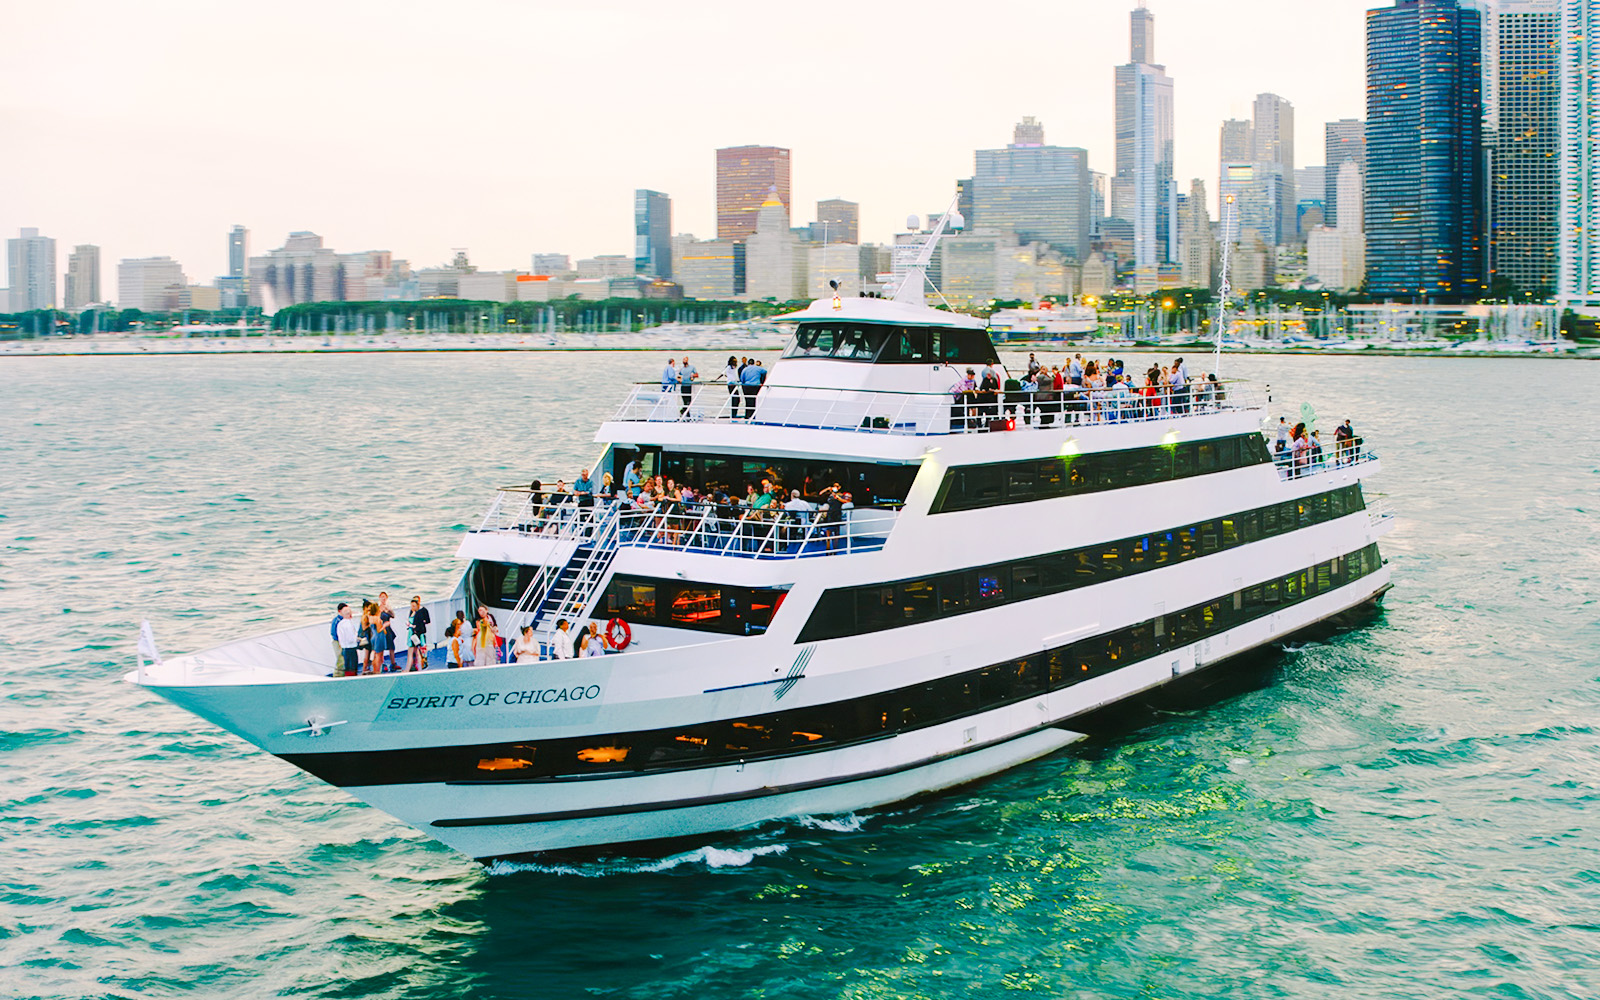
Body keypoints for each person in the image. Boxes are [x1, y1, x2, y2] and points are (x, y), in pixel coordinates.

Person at [407, 595, 430, 671]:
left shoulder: (422, 611)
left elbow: (427, 620)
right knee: (415, 650)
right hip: (413, 633)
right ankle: (414, 665)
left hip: (419, 633)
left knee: (421, 649)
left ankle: (422, 663)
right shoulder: (412, 612)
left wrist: (420, 623)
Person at [335, 604, 359, 678]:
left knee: (347, 666)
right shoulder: (348, 624)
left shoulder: (340, 624)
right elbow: (351, 639)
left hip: (344, 648)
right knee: (352, 666)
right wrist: (357, 638)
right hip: (351, 648)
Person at [376, 591, 397, 671]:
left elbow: (393, 616)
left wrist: (388, 610)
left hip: (388, 629)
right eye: (381, 596)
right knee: (381, 648)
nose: (383, 598)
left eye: (384, 596)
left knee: (391, 647)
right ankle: (382, 664)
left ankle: (393, 663)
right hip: (382, 629)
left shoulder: (388, 607)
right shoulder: (378, 608)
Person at [330, 602, 349, 674]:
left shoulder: (344, 619)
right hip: (338, 642)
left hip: (343, 642)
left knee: (344, 658)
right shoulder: (337, 620)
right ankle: (338, 674)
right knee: (340, 659)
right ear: (339, 611)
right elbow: (333, 632)